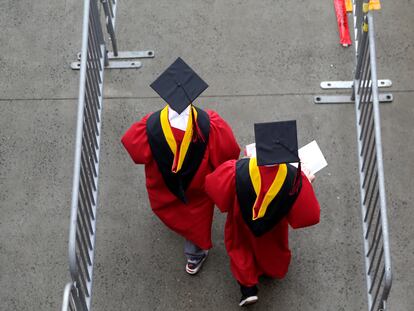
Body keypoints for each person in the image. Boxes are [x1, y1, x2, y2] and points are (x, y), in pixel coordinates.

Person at [121, 57, 240, 275]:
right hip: (197, 191)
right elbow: (229, 154)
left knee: (174, 212)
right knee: (196, 222)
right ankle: (194, 257)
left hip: (163, 188)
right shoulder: (210, 124)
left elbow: (134, 149)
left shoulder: (149, 125)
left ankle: (180, 230)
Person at [205, 120, 320, 306]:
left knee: (240, 249)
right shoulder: (295, 178)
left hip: (239, 222)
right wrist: (305, 183)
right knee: (271, 249)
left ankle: (248, 289)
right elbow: (309, 216)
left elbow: (212, 188)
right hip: (273, 229)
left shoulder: (236, 170)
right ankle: (270, 271)